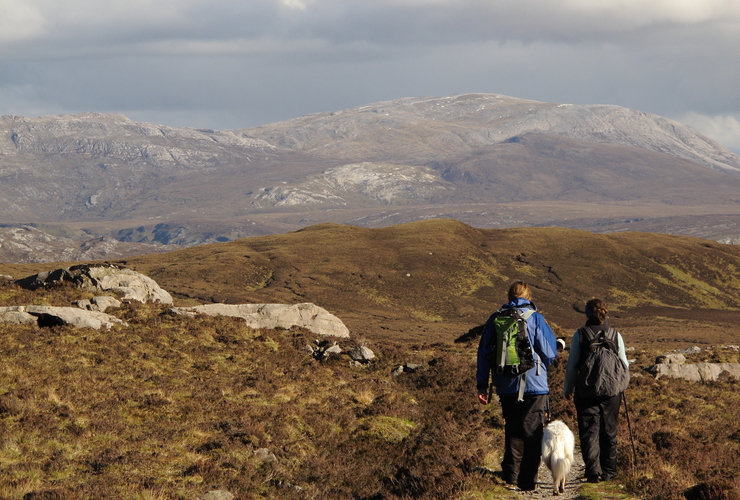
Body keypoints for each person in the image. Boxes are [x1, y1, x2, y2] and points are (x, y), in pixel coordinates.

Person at [476, 281, 558, 491]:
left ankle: (511, 475)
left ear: (509, 296)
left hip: (506, 384)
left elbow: (484, 353)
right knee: (532, 431)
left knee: (512, 428)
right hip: (535, 385)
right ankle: (527, 480)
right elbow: (549, 353)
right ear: (528, 296)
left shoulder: (496, 319)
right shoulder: (536, 318)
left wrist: (482, 385)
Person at [563, 298, 629, 483]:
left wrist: (567, 389)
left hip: (586, 390)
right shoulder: (615, 335)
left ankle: (593, 471)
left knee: (589, 430)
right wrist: (622, 385)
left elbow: (572, 366)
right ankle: (609, 472)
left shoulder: (581, 334)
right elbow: (624, 364)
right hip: (612, 391)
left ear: (587, 314)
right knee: (609, 430)